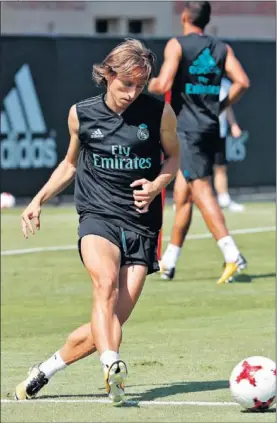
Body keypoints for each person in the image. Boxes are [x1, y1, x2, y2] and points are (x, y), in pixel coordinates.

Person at [15, 39, 180, 405]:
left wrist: (156, 185)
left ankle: (46, 369)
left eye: (140, 86)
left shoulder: (160, 113)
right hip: (98, 215)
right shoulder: (81, 114)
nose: (133, 93)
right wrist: (38, 200)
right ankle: (112, 365)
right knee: (105, 285)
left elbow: (173, 161)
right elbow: (70, 165)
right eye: (126, 85)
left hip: (141, 224)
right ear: (107, 74)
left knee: (109, 322)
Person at [148, 1, 250, 284]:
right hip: (209, 127)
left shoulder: (176, 45)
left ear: (183, 16)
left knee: (200, 187)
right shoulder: (221, 47)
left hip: (187, 130)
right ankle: (169, 262)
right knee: (183, 195)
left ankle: (232, 254)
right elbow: (242, 81)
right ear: (206, 20)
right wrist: (219, 107)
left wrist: (151, 84)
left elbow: (164, 82)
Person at [214, 77, 245, 212]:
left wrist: (233, 125)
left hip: (219, 132)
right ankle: (184, 199)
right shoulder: (196, 80)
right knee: (193, 169)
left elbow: (228, 107)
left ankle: (224, 199)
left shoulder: (226, 84)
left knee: (220, 167)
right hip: (197, 132)